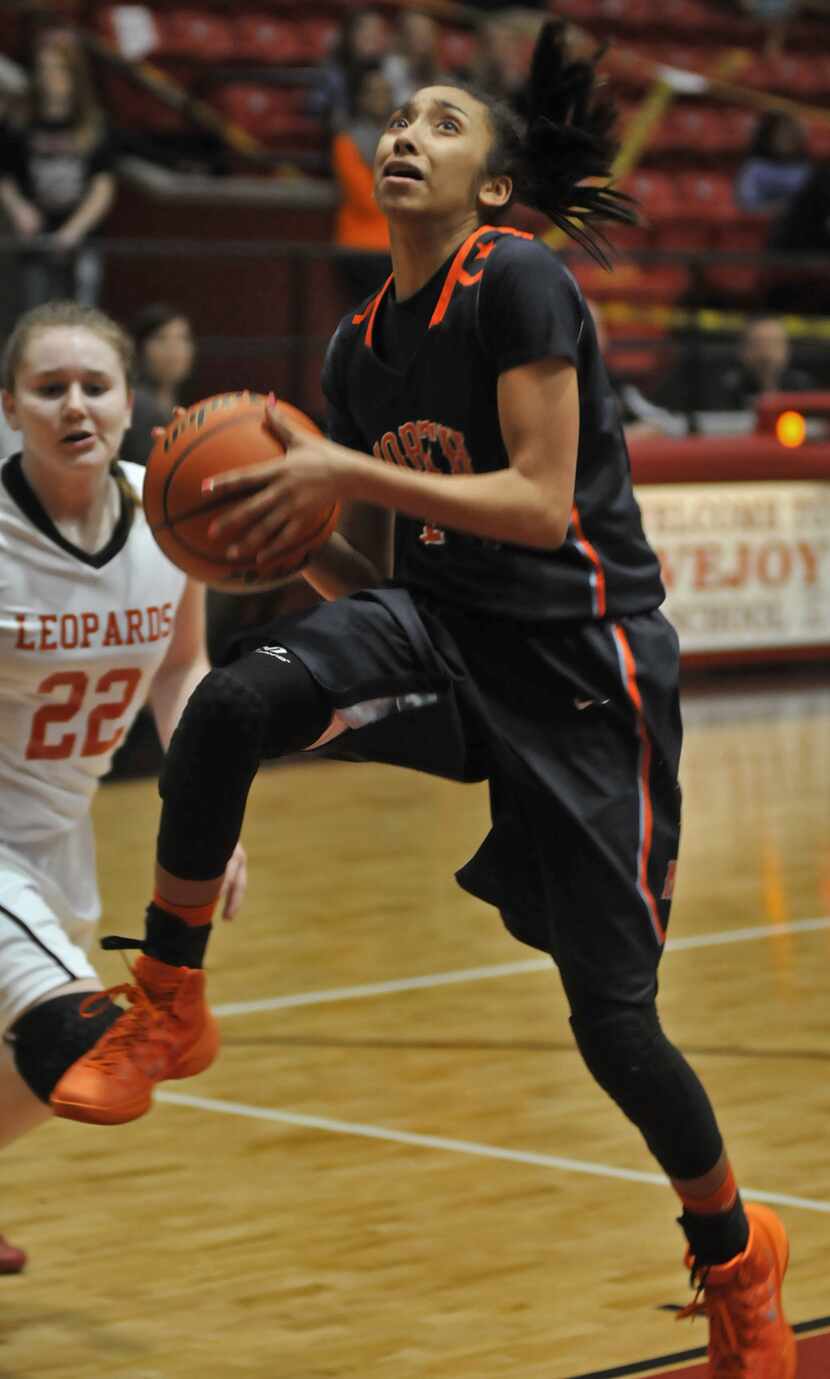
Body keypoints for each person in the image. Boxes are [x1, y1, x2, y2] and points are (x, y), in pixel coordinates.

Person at [54, 26, 796, 1377]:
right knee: (232, 705)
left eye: (442, 122)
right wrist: (280, 548)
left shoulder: (515, 280)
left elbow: (533, 500)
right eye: (397, 119)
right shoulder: (354, 345)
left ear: (493, 188)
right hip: (447, 634)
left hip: (584, 672)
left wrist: (338, 466)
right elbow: (381, 573)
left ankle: (735, 1252)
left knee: (613, 1025)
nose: (404, 134)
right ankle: (170, 998)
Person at [0, 301, 246, 1263]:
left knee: (34, 1070)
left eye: (93, 386)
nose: (74, 405)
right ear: (10, 408)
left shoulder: (170, 512)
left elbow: (183, 670)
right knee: (87, 1040)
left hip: (57, 834)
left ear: (127, 401)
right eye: (48, 388)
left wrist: (212, 818)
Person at [0, 33, 115, 312]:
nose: (50, 76)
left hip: (80, 238)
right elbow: (6, 176)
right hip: (33, 237)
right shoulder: (20, 122)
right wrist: (19, 210)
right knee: (31, 312)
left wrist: (74, 230)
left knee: (80, 312)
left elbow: (103, 187)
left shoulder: (94, 124)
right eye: (44, 68)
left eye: (59, 68)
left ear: (75, 73)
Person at [332, 65, 393, 304]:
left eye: (385, 92)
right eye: (373, 92)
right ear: (361, 98)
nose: (380, 98)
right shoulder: (346, 141)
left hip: (401, 251)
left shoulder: (406, 140)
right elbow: (366, 198)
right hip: (360, 249)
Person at [120, 304, 196, 467]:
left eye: (183, 339)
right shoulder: (137, 405)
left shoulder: (189, 408)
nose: (173, 349)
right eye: (161, 338)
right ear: (140, 348)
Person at [712, 314, 816, 410]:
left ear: (787, 350)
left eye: (774, 344)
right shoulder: (729, 388)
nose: (767, 354)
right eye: (759, 344)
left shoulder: (801, 386)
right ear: (743, 350)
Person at [734, 112, 812, 217]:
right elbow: (747, 206)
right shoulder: (754, 169)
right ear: (769, 135)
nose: (789, 138)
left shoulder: (807, 169)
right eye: (783, 133)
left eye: (793, 134)